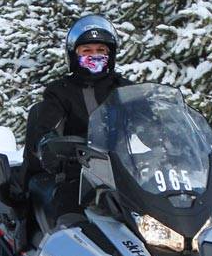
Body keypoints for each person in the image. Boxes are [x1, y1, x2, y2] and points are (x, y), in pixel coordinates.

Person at [17, 15, 135, 236]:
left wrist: (167, 141)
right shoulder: (60, 91)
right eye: (87, 51)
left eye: (101, 50)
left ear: (110, 55)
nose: (95, 56)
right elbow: (46, 125)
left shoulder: (124, 90)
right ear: (74, 54)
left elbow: (146, 121)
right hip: (79, 174)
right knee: (74, 222)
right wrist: (50, 143)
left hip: (125, 174)